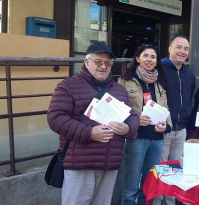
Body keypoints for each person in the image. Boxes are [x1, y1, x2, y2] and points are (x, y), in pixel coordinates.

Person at [47, 41, 140, 205]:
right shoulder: (68, 85)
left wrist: (127, 128)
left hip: (109, 163)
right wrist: (89, 133)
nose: (103, 67)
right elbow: (55, 118)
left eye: (107, 63)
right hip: (80, 163)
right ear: (86, 62)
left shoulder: (119, 90)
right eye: (98, 62)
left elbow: (132, 116)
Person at [117, 44, 172, 205]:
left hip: (157, 140)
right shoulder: (125, 81)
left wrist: (166, 127)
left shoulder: (159, 82)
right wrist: (134, 120)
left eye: (153, 57)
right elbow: (118, 109)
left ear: (157, 61)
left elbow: (166, 108)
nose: (149, 59)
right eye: (145, 56)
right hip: (137, 138)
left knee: (148, 186)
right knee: (132, 185)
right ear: (138, 58)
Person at [154, 36, 196, 205]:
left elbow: (189, 98)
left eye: (185, 49)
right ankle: (157, 202)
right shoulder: (159, 69)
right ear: (170, 48)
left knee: (176, 172)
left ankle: (170, 202)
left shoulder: (189, 74)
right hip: (163, 130)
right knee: (160, 170)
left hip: (181, 130)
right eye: (178, 47)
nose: (182, 52)